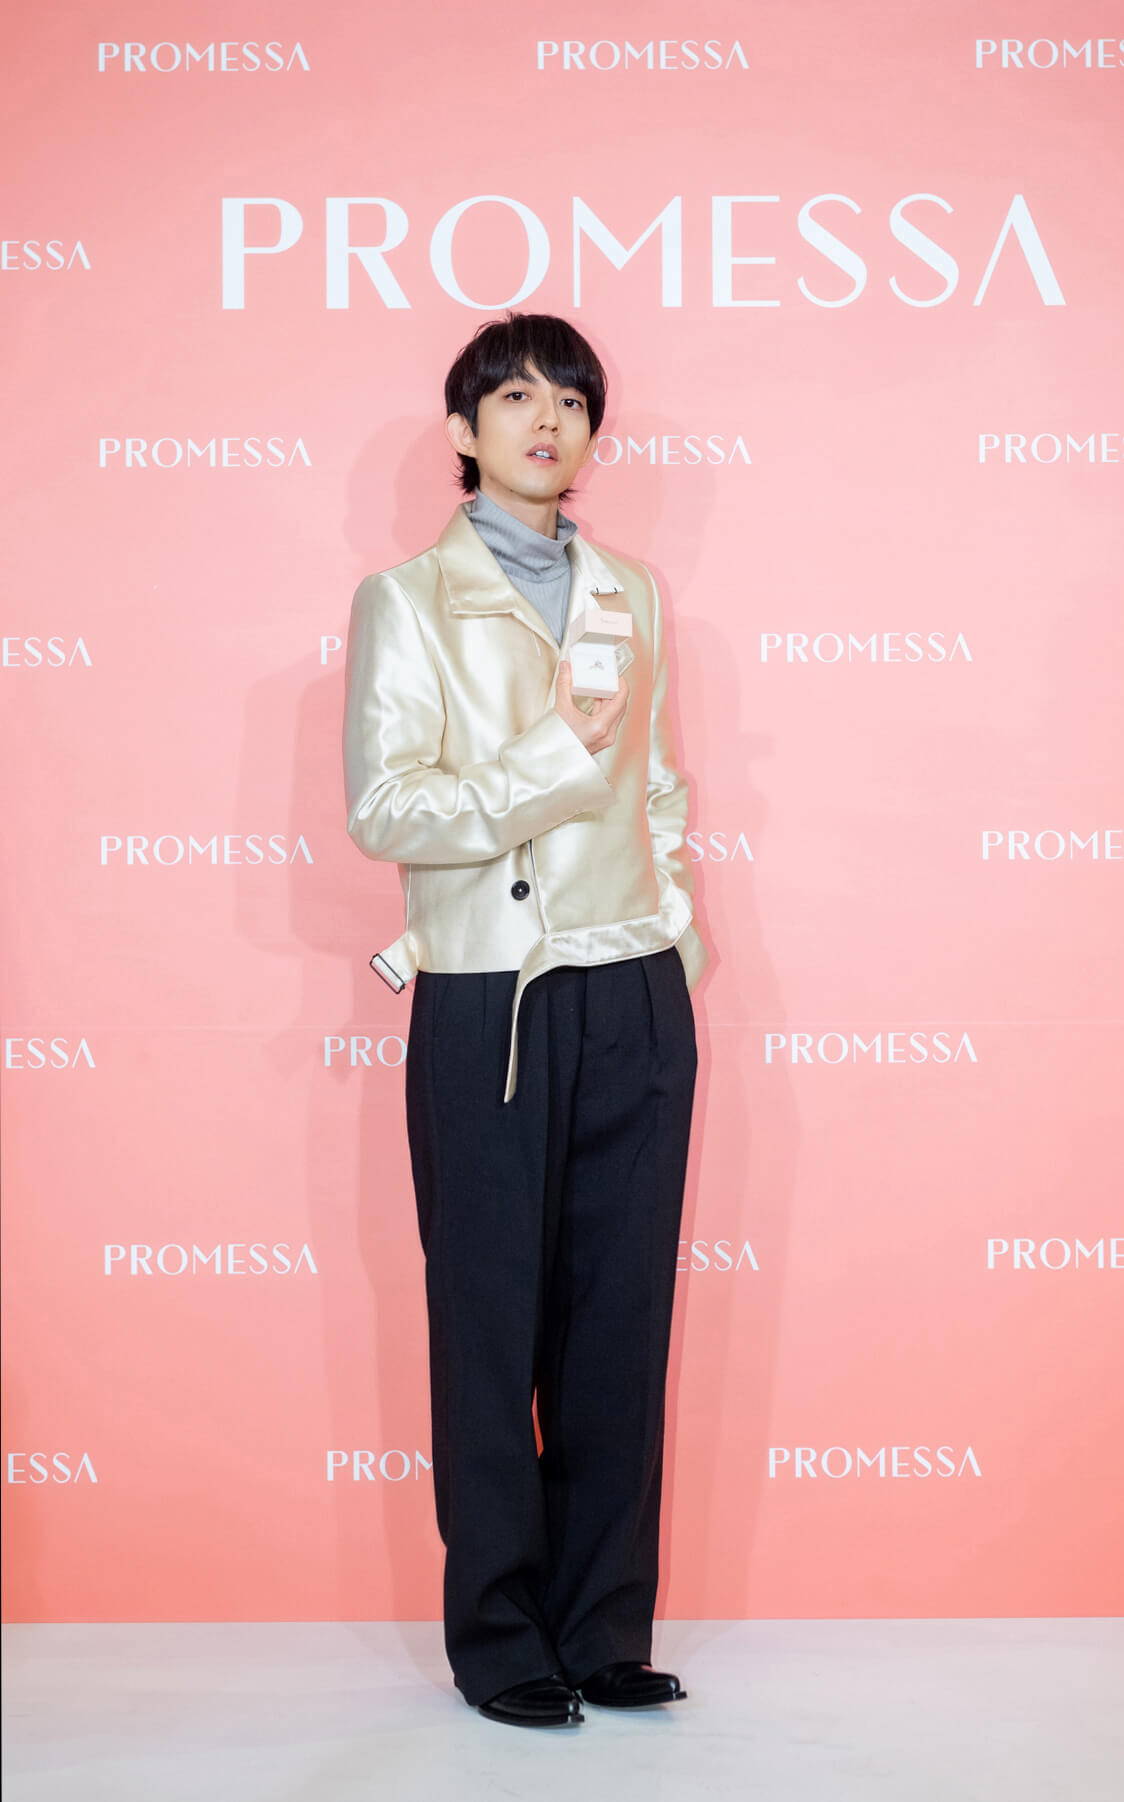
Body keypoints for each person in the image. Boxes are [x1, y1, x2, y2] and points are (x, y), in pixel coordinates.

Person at [342, 311, 707, 1729]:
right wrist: (554, 760)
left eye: (570, 400)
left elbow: (656, 779)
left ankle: (604, 1626)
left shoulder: (632, 591)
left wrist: (671, 926)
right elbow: (388, 808)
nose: (546, 420)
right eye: (514, 398)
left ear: (593, 433)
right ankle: (500, 1637)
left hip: (632, 983)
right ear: (464, 431)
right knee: (490, 1321)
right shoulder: (405, 600)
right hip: (486, 990)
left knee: (621, 1322)